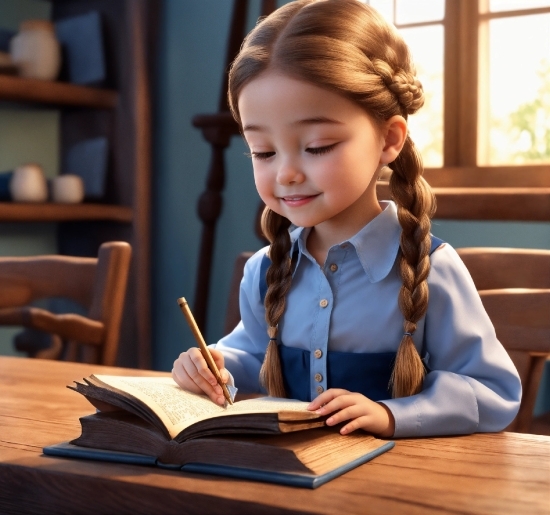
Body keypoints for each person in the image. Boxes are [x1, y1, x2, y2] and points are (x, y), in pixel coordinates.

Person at [172, 0, 521, 438]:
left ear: (389, 139)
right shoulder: (265, 271)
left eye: (317, 146)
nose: (286, 173)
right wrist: (213, 366)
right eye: (263, 151)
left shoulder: (432, 271)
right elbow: (253, 354)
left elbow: (492, 391)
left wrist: (392, 416)